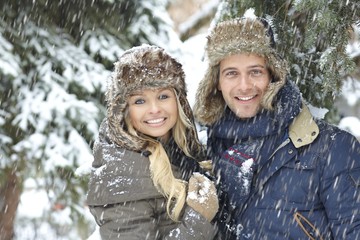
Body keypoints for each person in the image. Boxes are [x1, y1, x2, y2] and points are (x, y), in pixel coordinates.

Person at [193, 13, 360, 240]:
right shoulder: (204, 152)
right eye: (231, 73)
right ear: (217, 83)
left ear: (273, 76)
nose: (244, 86)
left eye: (255, 71)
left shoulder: (333, 150)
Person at [87, 44, 219, 240]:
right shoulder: (121, 173)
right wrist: (198, 220)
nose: (155, 109)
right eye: (140, 101)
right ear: (123, 110)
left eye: (163, 96)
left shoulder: (186, 151)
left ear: (179, 101)